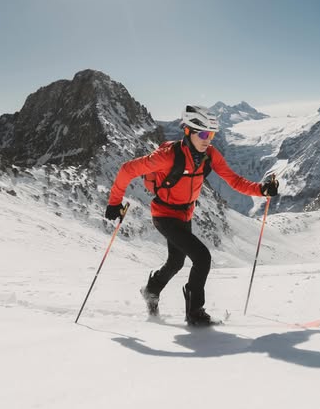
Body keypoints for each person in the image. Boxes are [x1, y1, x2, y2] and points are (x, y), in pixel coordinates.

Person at [105, 104, 279, 325]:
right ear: (188, 131)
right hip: (164, 215)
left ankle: (151, 290)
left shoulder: (210, 155)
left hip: (184, 215)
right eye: (203, 134)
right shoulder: (168, 156)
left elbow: (233, 180)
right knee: (202, 257)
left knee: (176, 262)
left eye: (211, 135)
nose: (208, 140)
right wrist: (114, 203)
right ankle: (194, 312)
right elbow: (127, 169)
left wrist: (261, 190)